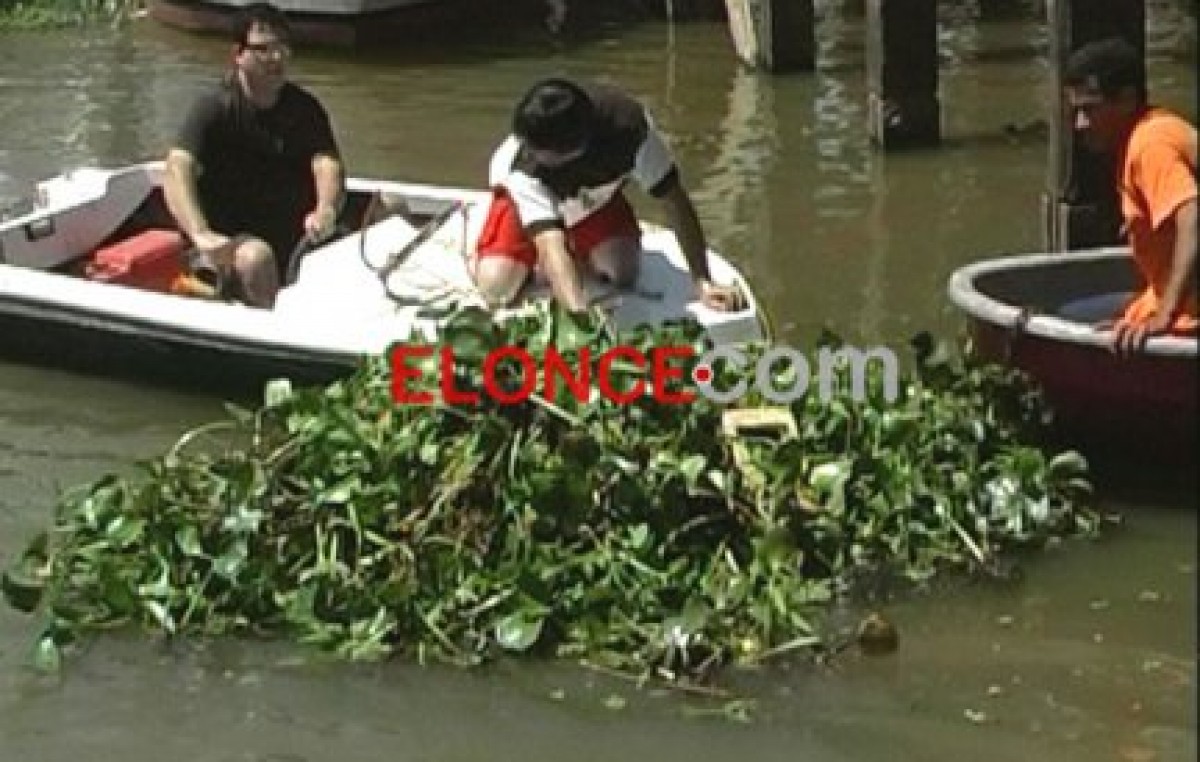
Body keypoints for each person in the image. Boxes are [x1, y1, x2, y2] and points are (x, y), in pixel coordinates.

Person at [471, 77, 744, 313]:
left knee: (624, 274)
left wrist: (701, 280)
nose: (529, 151)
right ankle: (482, 247)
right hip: (524, 210)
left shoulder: (630, 128)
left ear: (572, 151)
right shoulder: (525, 169)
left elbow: (674, 200)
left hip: (595, 199)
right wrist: (580, 321)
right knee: (497, 289)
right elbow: (551, 248)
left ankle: (582, 243)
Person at [162, 2, 345, 308]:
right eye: (264, 49)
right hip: (231, 240)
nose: (277, 58)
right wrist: (201, 233)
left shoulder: (304, 108)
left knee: (390, 207)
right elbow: (177, 167)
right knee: (257, 257)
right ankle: (276, 343)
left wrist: (325, 208)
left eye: (284, 47)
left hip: (298, 231)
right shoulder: (214, 109)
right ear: (238, 55)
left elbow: (326, 163)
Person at [1063, 37, 1197, 355]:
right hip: (1173, 297)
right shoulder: (1154, 130)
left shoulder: (1149, 146)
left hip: (1188, 315)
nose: (1080, 124)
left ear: (1126, 99)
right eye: (1075, 112)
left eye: (1089, 110)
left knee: (1069, 316)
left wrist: (1165, 314)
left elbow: (1193, 216)